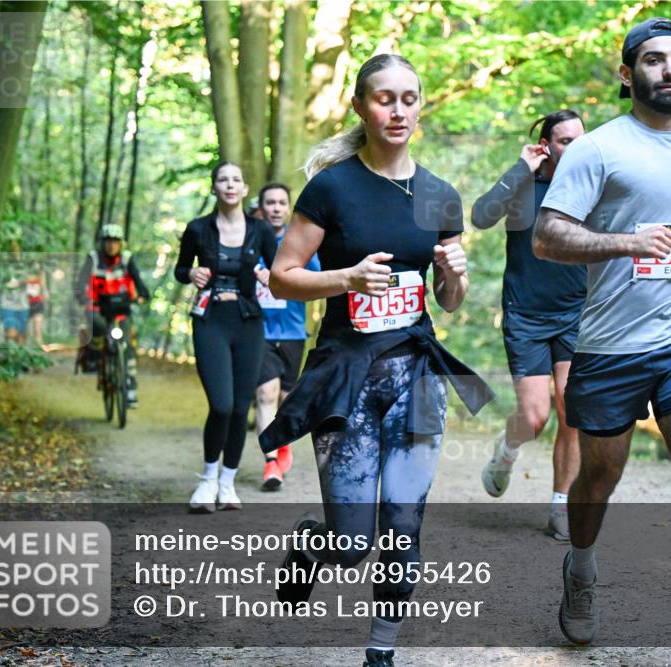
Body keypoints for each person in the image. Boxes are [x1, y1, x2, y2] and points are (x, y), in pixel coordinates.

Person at [532, 18, 671, 667]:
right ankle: (581, 567)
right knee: (598, 479)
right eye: (654, 60)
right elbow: (548, 236)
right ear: (628, 74)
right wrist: (627, 241)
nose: (669, 70)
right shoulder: (598, 149)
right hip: (611, 341)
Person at [258, 54, 493, 667]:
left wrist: (455, 278)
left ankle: (381, 652)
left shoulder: (440, 195)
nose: (398, 110)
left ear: (420, 105)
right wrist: (346, 279)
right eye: (384, 98)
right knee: (352, 543)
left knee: (405, 522)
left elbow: (448, 301)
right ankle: (314, 545)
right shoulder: (333, 187)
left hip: (416, 374)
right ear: (361, 106)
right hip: (347, 377)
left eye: (409, 98)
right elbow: (282, 278)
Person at [473, 110, 586, 540]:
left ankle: (561, 504)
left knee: (571, 410)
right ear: (546, 146)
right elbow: (481, 216)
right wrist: (521, 167)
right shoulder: (524, 187)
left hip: (577, 314)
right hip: (526, 316)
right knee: (535, 417)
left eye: (580, 139)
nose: (574, 148)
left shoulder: (593, 187)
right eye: (564, 141)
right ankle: (507, 449)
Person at [175, 162, 278, 513]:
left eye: (236, 179)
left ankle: (227, 482)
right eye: (223, 179)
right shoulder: (197, 228)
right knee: (220, 404)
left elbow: (280, 271)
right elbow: (179, 270)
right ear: (214, 188)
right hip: (210, 320)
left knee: (238, 408)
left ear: (245, 189)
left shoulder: (261, 231)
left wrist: (268, 277)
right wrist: (190, 272)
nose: (229, 185)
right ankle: (206, 479)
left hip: (248, 321)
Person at [253, 182, 320, 491]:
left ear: (289, 208)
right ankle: (270, 464)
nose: (276, 208)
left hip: (293, 332)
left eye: (282, 202)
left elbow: (317, 282)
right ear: (261, 207)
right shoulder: (248, 241)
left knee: (284, 398)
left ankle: (282, 446)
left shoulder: (300, 243)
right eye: (271, 202)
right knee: (265, 394)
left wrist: (282, 279)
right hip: (258, 333)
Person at [74, 223, 150, 407]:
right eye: (107, 241)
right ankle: (94, 357)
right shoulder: (93, 258)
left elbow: (138, 280)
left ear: (121, 244)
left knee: (128, 346)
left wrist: (142, 295)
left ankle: (130, 389)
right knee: (97, 326)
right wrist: (82, 297)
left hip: (120, 309)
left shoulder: (126, 259)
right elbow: (80, 283)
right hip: (97, 307)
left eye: (115, 241)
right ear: (102, 242)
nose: (111, 245)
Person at [26, 262, 47, 348]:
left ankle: (39, 346)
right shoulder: (25, 276)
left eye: (37, 267)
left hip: (38, 302)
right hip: (26, 303)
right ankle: (27, 346)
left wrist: (45, 293)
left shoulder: (41, 276)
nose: (36, 269)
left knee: (37, 326)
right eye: (34, 267)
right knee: (27, 327)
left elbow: (44, 288)